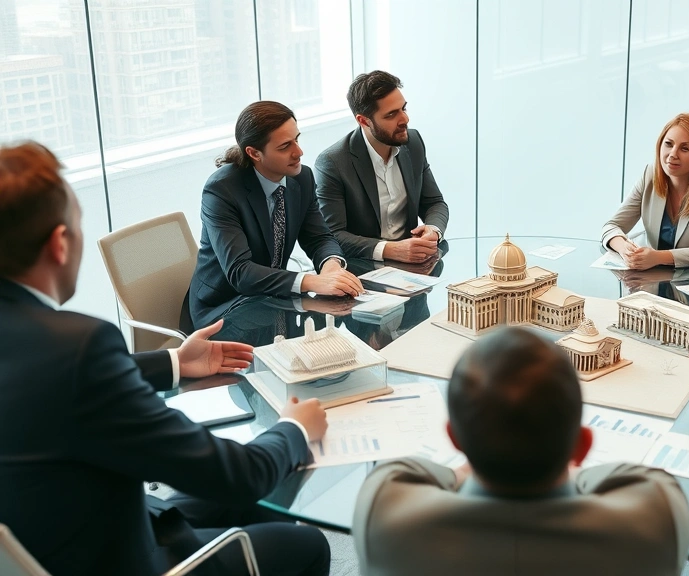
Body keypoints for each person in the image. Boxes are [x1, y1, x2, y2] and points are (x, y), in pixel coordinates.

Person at [0, 141, 332, 575]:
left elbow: (44, 380)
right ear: (60, 243)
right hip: (126, 554)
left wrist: (175, 362)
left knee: (262, 503)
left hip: (62, 535)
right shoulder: (80, 346)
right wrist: (294, 428)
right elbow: (240, 475)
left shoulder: (50, 350)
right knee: (306, 542)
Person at [352, 327, 689, 576]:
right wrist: (563, 458)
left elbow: (408, 472)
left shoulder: (384, 509)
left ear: (454, 439)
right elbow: (641, 480)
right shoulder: (656, 518)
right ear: (582, 445)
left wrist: (486, 449)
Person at [184, 100, 363, 331]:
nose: (299, 152)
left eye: (297, 139)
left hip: (273, 299)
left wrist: (330, 266)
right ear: (254, 153)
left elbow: (319, 238)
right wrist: (312, 281)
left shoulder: (302, 178)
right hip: (226, 307)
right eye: (285, 146)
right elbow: (240, 272)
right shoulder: (221, 190)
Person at [315, 70, 449, 263]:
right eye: (392, 114)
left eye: (404, 108)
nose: (405, 120)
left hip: (415, 266)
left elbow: (434, 202)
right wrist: (390, 250)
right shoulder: (333, 162)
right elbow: (332, 235)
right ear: (363, 121)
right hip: (364, 271)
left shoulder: (413, 142)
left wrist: (433, 230)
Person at [602, 113, 689, 270]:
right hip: (650, 278)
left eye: (684, 148)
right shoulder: (649, 175)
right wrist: (624, 249)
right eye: (669, 144)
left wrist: (657, 257)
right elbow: (612, 226)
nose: (673, 154)